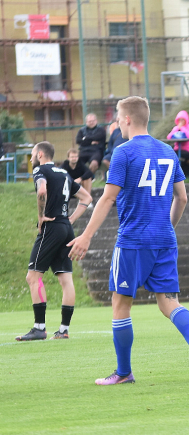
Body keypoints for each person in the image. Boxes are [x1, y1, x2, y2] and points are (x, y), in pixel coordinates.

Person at [69, 96, 189, 385]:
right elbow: (182, 197)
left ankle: (123, 373)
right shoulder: (169, 151)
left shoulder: (123, 152)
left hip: (133, 240)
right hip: (164, 239)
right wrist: (166, 227)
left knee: (121, 303)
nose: (116, 124)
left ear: (128, 120)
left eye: (118, 119)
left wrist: (86, 235)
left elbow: (108, 197)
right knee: (169, 302)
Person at [15, 142, 92, 341]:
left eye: (32, 155)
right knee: (66, 280)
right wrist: (70, 220)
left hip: (51, 227)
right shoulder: (64, 173)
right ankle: (63, 330)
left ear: (40, 154)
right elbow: (86, 197)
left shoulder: (40, 169)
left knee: (33, 277)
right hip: (66, 228)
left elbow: (41, 191)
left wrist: (41, 216)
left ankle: (39, 328)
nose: (31, 159)